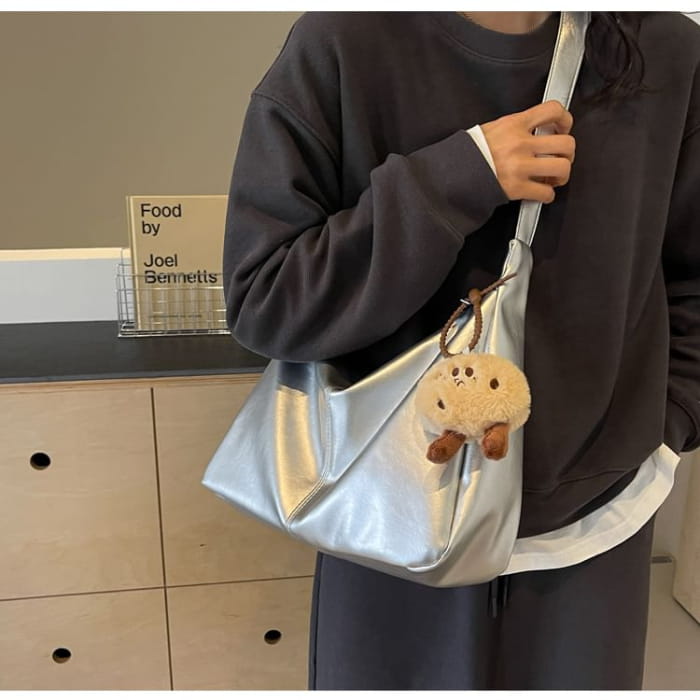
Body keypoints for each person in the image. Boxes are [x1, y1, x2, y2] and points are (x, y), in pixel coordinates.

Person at [221, 11, 700, 690]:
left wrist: (666, 428)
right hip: (387, 515)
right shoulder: (345, 43)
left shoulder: (667, 52)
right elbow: (267, 301)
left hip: (599, 524)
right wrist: (458, 176)